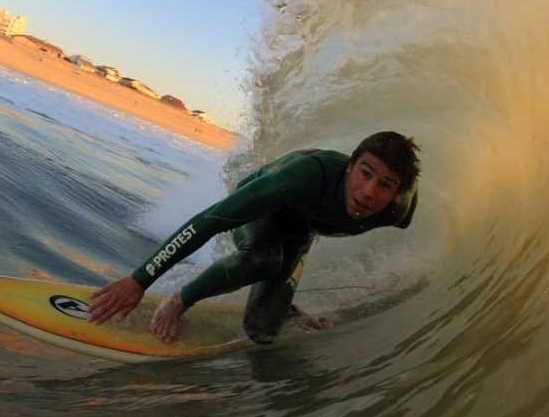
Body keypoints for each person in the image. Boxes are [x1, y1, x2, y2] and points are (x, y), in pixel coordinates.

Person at [88, 131, 421, 345]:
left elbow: (412, 188)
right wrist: (139, 280)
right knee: (262, 258)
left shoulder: (396, 212)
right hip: (265, 201)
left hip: (300, 228)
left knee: (262, 333)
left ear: (397, 193)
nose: (368, 192)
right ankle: (179, 301)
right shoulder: (306, 176)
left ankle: (285, 307)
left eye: (385, 185)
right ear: (350, 167)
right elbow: (209, 220)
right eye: (365, 174)